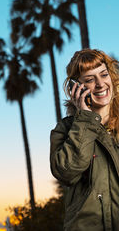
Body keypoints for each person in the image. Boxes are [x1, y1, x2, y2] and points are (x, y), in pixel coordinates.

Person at [50, 49, 119, 231]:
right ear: (76, 88)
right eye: (89, 79)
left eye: (104, 75)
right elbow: (67, 172)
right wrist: (85, 119)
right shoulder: (64, 130)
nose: (100, 84)